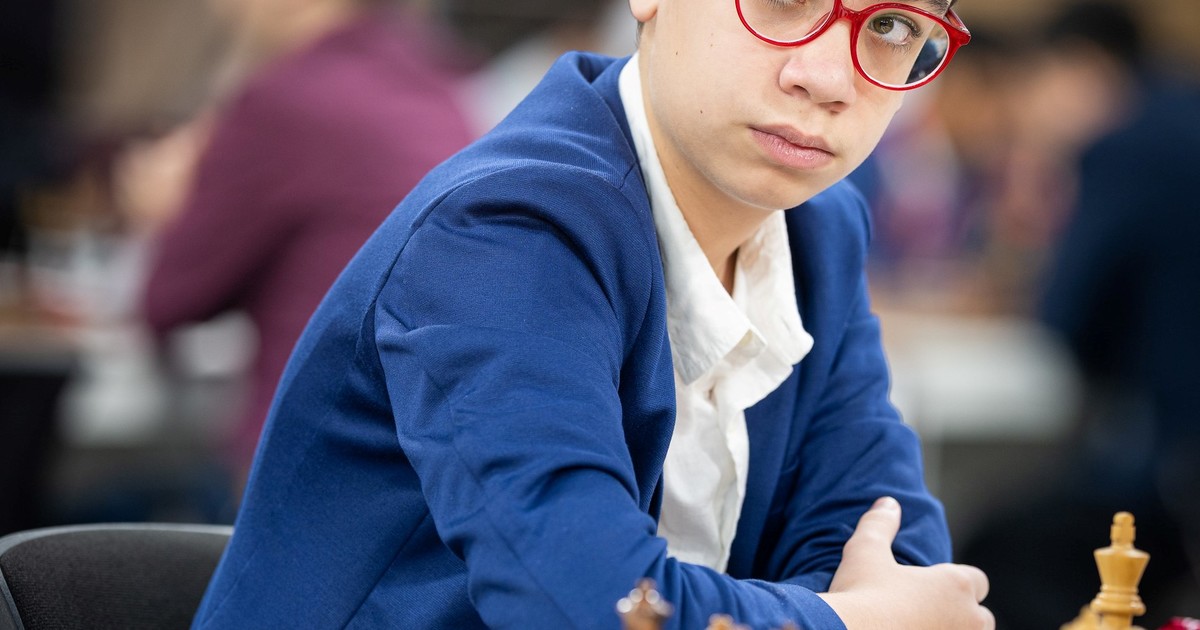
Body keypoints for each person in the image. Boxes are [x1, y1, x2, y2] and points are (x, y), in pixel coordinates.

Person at [194, 0, 993, 627]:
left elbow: (889, 547)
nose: (828, 78)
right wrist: (848, 622)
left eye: (891, 25)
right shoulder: (504, 232)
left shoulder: (818, 226)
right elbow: (587, 605)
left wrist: (862, 610)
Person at [123, 0, 476, 479]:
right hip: (432, 457)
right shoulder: (439, 86)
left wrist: (167, 206)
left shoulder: (282, 100)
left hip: (312, 460)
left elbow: (168, 302)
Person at [959, 2, 1200, 627]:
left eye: (1034, 85)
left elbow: (1065, 317)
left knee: (994, 551)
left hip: (1173, 463)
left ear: (1082, 67)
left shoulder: (1124, 148)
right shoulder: (1179, 121)